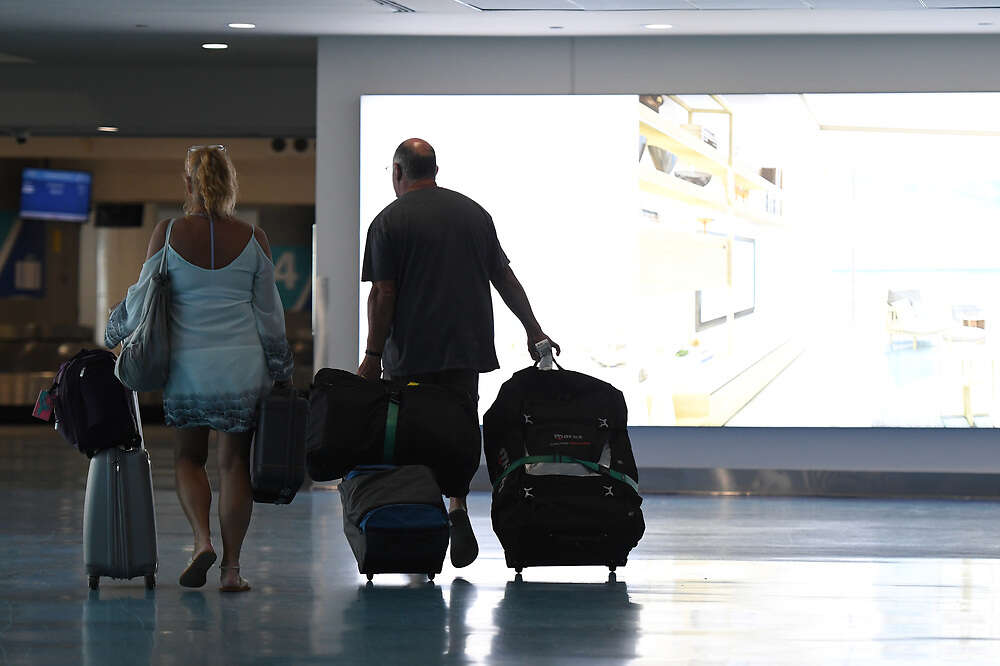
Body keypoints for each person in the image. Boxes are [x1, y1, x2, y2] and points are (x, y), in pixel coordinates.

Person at [359, 138, 559, 568]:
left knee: (409, 435)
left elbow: (384, 292)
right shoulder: (473, 213)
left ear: (398, 172)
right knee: (457, 430)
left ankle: (418, 517)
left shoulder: (388, 222)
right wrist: (534, 330)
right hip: (464, 352)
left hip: (408, 356)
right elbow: (503, 277)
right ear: (433, 168)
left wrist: (373, 355)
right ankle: (457, 507)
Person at [105, 145, 293, 592]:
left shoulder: (167, 234)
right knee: (234, 467)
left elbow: (141, 299)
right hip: (242, 370)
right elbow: (270, 315)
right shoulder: (254, 238)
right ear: (230, 184)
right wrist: (282, 366)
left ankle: (201, 541)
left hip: (187, 369)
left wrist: (115, 331)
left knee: (189, 459)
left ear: (188, 184)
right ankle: (232, 570)